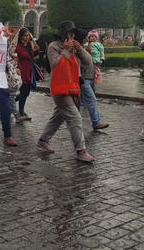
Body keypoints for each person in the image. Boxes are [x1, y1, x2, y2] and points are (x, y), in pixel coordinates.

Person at [36, 21, 96, 162]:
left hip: (74, 87)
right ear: (64, 34)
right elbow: (55, 66)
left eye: (73, 33)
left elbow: (89, 62)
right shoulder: (53, 47)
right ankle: (81, 150)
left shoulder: (75, 45)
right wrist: (66, 51)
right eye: (70, 33)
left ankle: (43, 140)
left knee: (59, 116)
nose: (72, 35)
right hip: (60, 88)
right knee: (75, 118)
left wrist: (80, 49)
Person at [76, 29, 109, 130]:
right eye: (86, 37)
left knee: (80, 101)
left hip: (90, 77)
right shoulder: (79, 49)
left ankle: (72, 119)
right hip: (84, 78)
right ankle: (96, 122)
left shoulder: (88, 47)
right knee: (92, 99)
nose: (88, 38)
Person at [14, 27, 40, 122]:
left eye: (29, 35)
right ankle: (21, 111)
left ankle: (9, 104)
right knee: (23, 92)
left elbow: (36, 52)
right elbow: (13, 57)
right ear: (21, 36)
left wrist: (33, 42)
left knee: (26, 93)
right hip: (21, 72)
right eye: (25, 35)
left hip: (29, 72)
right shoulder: (17, 46)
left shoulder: (29, 46)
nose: (27, 37)